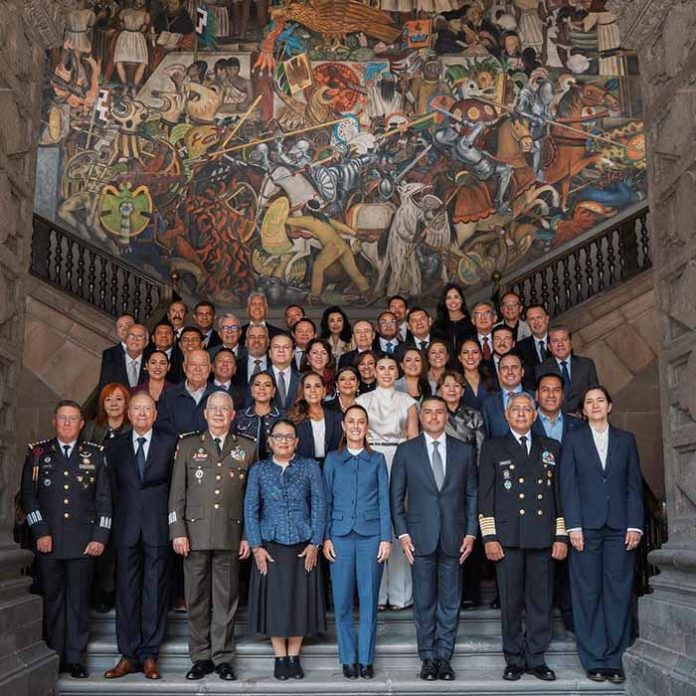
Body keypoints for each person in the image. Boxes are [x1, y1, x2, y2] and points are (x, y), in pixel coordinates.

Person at [478, 393, 568, 682]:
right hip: (507, 538)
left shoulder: (551, 447)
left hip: (542, 536)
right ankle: (514, 658)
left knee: (541, 601)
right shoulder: (492, 448)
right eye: (515, 409)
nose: (520, 413)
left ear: (534, 414)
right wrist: (489, 537)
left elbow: (560, 495)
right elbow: (485, 496)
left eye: (526, 409)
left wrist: (561, 536)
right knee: (511, 602)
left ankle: (537, 657)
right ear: (506, 415)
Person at [169, 391, 257, 681]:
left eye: (224, 409)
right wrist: (177, 531)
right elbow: (177, 494)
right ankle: (200, 656)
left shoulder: (247, 447)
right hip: (193, 535)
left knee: (226, 599)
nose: (218, 413)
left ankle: (222, 657)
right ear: (205, 413)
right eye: (213, 408)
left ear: (233, 415)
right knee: (195, 599)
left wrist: (247, 535)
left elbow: (251, 498)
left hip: (230, 533)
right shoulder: (187, 445)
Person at [21, 401, 112, 679]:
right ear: (54, 421)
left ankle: (75, 659)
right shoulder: (38, 454)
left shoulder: (95, 455)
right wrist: (40, 532)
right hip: (48, 543)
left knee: (78, 602)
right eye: (63, 418)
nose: (68, 423)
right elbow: (28, 497)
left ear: (82, 424)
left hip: (83, 543)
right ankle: (54, 656)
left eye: (73, 419)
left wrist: (100, 536)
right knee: (52, 601)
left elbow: (104, 500)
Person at [390, 396, 478, 681]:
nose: (434, 417)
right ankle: (427, 658)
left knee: (450, 602)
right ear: (420, 417)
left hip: (455, 536)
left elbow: (472, 494)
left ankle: (444, 657)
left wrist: (471, 532)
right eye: (428, 412)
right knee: (424, 601)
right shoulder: (406, 451)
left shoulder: (464, 451)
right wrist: (403, 533)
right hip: (419, 538)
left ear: (446, 416)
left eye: (439, 412)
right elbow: (396, 497)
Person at [561, 386, 644, 685]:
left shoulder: (626, 440)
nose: (595, 405)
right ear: (583, 410)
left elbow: (634, 484)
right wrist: (573, 526)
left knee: (618, 592)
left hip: (620, 528)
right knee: (587, 593)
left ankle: (615, 658)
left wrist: (635, 525)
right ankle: (594, 659)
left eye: (600, 401)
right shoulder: (573, 440)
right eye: (589, 402)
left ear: (609, 406)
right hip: (585, 527)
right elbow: (567, 485)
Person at [244, 419, 327, 681]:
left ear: (297, 442)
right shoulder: (259, 470)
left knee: (300, 601)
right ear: (270, 441)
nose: (284, 441)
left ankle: (294, 656)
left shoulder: (310, 467)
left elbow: (319, 505)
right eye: (278, 436)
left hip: (303, 544)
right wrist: (256, 546)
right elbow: (250, 509)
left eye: (289, 437)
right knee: (276, 603)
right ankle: (280, 657)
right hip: (270, 545)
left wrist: (315, 543)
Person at [103, 393, 178, 681]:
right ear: (128, 413)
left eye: (147, 409)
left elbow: (176, 487)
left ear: (155, 414)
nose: (142, 413)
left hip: (158, 526)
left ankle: (149, 655)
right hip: (125, 528)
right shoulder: (114, 446)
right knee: (126, 592)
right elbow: (109, 489)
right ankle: (128, 655)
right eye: (137, 408)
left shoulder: (170, 442)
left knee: (155, 592)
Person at [323, 406, 391, 680]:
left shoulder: (377, 460)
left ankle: (366, 659)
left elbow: (384, 501)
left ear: (366, 426)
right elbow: (325, 500)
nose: (355, 426)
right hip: (339, 536)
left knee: (369, 599)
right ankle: (348, 658)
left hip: (371, 536)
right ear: (343, 425)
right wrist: (326, 537)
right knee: (341, 601)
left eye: (361, 422)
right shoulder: (332, 459)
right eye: (350, 421)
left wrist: (385, 538)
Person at [357, 355, 419, 611]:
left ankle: (401, 595)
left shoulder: (408, 401)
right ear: (373, 371)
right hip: (370, 457)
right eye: (380, 368)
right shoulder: (362, 401)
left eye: (391, 368)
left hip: (401, 457)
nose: (385, 372)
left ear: (398, 371)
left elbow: (414, 439)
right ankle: (378, 595)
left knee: (399, 522)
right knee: (374, 523)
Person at [532, 372, 584, 634]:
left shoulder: (578, 426)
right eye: (545, 389)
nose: (550, 395)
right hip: (537, 506)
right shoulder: (527, 424)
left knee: (570, 567)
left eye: (555, 390)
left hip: (572, 504)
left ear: (563, 395)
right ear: (536, 395)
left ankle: (572, 620)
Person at [81, 382, 131, 613]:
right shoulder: (92, 428)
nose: (113, 404)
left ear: (126, 403)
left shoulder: (132, 428)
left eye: (119, 399)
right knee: (98, 542)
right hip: (96, 495)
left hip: (124, 495)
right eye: (108, 399)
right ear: (102, 404)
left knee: (118, 545)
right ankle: (98, 591)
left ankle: (113, 591)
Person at [438, 371, 485, 609]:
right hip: (439, 484)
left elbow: (481, 450)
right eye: (447, 385)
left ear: (463, 390)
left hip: (467, 481)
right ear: (439, 389)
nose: (452, 389)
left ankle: (470, 592)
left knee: (468, 535)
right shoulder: (434, 413)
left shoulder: (473, 415)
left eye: (457, 385)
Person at [536, 325, 599, 413]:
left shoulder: (587, 365)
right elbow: (542, 400)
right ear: (549, 347)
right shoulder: (541, 369)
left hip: (584, 416)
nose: (560, 344)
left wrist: (580, 414)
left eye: (564, 339)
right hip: (556, 417)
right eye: (555, 341)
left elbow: (595, 394)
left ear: (571, 343)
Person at [156, 349, 218, 435]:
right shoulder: (169, 395)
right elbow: (162, 428)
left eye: (203, 365)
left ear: (210, 368)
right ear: (184, 367)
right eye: (193, 364)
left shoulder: (220, 395)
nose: (198, 369)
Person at [288, 372, 342, 467]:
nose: (313, 390)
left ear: (324, 391)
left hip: (332, 469)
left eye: (317, 386)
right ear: (302, 391)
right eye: (308, 387)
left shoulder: (337, 417)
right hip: (302, 469)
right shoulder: (293, 418)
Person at [234, 371, 282, 462]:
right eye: (257, 384)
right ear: (252, 390)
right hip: (245, 466)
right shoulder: (239, 417)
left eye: (267, 385)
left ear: (273, 391)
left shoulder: (284, 417)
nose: (262, 388)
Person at [481, 353, 531, 438]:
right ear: (499, 374)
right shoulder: (488, 404)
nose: (510, 372)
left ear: (522, 372)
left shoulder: (536, 399)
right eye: (505, 368)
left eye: (514, 367)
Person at [98, 323, 149, 392]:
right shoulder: (112, 361)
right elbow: (104, 389)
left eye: (140, 336)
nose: (135, 339)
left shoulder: (151, 364)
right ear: (125, 339)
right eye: (131, 335)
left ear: (146, 342)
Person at [432, 283, 476, 355]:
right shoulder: (438, 325)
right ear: (444, 301)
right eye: (449, 298)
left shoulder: (471, 323)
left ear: (461, 300)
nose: (453, 301)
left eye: (456, 297)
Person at [517, 304, 550, 389]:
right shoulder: (520, 347)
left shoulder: (558, 341)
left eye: (539, 317)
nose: (536, 322)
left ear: (547, 319)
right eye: (532, 319)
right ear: (527, 323)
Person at [457, 339, 495, 411]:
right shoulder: (454, 382)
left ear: (481, 356)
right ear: (459, 357)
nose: (470, 356)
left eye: (475, 352)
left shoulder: (492, 381)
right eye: (465, 352)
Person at [268, 333, 300, 414]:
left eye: (286, 347)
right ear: (270, 353)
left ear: (293, 353)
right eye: (276, 347)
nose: (281, 350)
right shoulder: (257, 378)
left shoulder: (302, 378)